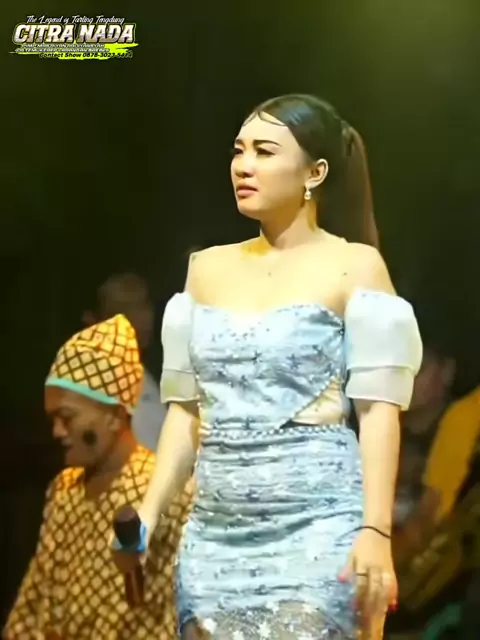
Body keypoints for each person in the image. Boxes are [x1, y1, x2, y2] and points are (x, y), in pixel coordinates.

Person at [114, 94, 423, 638]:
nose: (243, 165)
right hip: (214, 540)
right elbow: (186, 413)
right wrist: (149, 513)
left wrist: (376, 531)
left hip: (318, 530)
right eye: (238, 151)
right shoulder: (206, 269)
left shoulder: (354, 265)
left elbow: (378, 413)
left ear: (315, 172)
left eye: (263, 150)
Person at [3, 315, 192, 639]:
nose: (57, 431)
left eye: (67, 417)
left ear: (115, 414)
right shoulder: (64, 491)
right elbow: (32, 607)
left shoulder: (166, 494)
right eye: (52, 419)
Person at [83, 272, 166, 452]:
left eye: (143, 305)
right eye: (124, 309)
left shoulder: (147, 376)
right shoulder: (91, 386)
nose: (142, 317)